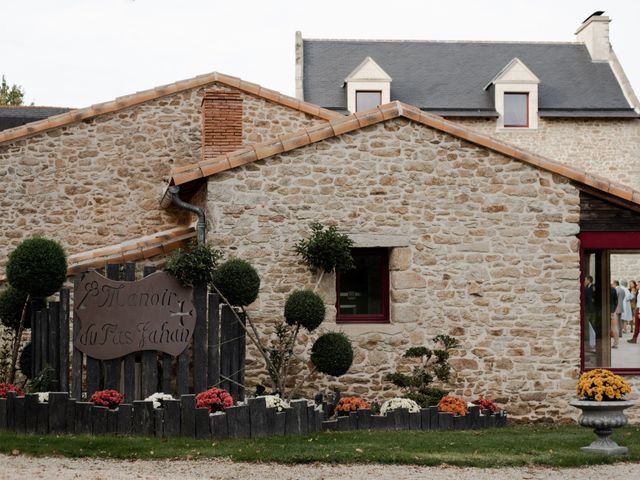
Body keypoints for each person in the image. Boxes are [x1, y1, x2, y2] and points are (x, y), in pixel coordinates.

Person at [611, 280, 622, 349]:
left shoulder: (604, 289)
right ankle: (616, 343)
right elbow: (616, 301)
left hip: (607, 311)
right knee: (615, 328)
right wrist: (614, 310)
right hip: (613, 311)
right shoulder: (613, 289)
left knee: (613, 328)